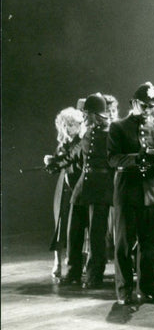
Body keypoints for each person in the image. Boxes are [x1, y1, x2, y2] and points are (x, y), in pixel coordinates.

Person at [107, 82, 154, 305]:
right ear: (133, 103)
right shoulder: (118, 127)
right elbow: (112, 158)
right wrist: (137, 158)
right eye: (144, 105)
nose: (148, 110)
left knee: (147, 245)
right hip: (126, 192)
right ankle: (124, 291)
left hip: (150, 194)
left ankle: (148, 289)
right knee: (123, 244)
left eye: (151, 106)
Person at [61, 93, 115, 289]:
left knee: (96, 235)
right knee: (73, 231)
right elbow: (75, 155)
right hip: (82, 187)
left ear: (96, 114)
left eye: (86, 113)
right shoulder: (87, 132)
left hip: (101, 188)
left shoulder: (111, 133)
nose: (83, 116)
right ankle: (73, 271)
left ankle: (94, 276)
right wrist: (57, 162)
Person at [44, 107, 85, 282]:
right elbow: (54, 169)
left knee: (75, 228)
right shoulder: (63, 145)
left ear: (78, 125)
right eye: (64, 125)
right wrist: (49, 162)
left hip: (78, 187)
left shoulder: (82, 142)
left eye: (71, 125)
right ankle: (57, 262)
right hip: (64, 188)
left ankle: (74, 263)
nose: (67, 129)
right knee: (60, 225)